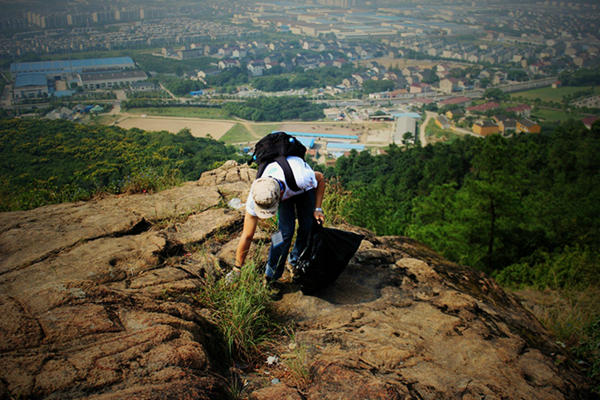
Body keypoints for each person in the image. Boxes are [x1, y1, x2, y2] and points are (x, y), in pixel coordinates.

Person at [232, 155, 325, 284]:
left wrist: (318, 209)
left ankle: (296, 262)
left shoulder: (302, 178)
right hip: (283, 187)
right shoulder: (258, 194)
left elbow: (320, 178)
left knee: (307, 226)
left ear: (280, 195)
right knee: (282, 234)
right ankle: (271, 276)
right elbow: (247, 235)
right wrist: (237, 268)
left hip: (301, 188)